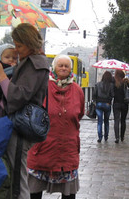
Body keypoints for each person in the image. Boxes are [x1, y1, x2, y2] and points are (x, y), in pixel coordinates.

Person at [0, 23, 50, 199]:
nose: (16, 50)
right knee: (16, 176)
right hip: (19, 125)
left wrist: (2, 75)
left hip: (20, 127)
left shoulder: (34, 64)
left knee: (17, 180)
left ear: (30, 43)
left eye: (19, 46)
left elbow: (18, 96)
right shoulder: (31, 62)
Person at [27, 54, 85, 199]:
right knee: (33, 192)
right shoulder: (42, 87)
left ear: (70, 69)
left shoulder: (77, 90)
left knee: (69, 193)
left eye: (67, 66)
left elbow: (80, 114)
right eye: (60, 65)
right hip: (42, 148)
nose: (63, 68)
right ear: (53, 67)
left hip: (68, 150)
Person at [112, 69, 129, 143]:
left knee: (116, 120)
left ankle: (117, 138)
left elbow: (111, 93)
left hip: (116, 104)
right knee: (123, 121)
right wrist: (128, 82)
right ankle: (122, 137)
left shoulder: (114, 83)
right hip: (125, 104)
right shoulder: (125, 82)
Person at [92, 71, 114, 142]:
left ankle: (100, 137)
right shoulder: (111, 85)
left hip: (99, 104)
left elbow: (94, 94)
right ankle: (106, 136)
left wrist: (95, 102)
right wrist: (109, 101)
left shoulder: (97, 84)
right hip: (107, 104)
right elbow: (112, 95)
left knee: (99, 121)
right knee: (106, 121)